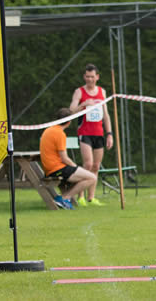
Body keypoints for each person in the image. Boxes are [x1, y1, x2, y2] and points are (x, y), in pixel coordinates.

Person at [68, 63, 113, 206]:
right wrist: (83, 104)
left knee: (96, 166)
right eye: (87, 77)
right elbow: (70, 112)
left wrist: (109, 134)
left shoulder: (102, 92)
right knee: (87, 164)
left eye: (92, 77)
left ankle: (91, 197)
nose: (89, 79)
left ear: (97, 77)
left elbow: (106, 115)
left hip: (98, 133)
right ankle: (81, 196)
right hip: (84, 132)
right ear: (84, 77)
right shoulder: (79, 92)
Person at [40, 108, 98, 210]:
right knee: (92, 178)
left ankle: (63, 198)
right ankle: (64, 198)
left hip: (49, 169)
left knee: (83, 177)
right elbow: (64, 158)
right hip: (56, 169)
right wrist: (76, 167)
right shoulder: (59, 133)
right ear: (69, 122)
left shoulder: (49, 129)